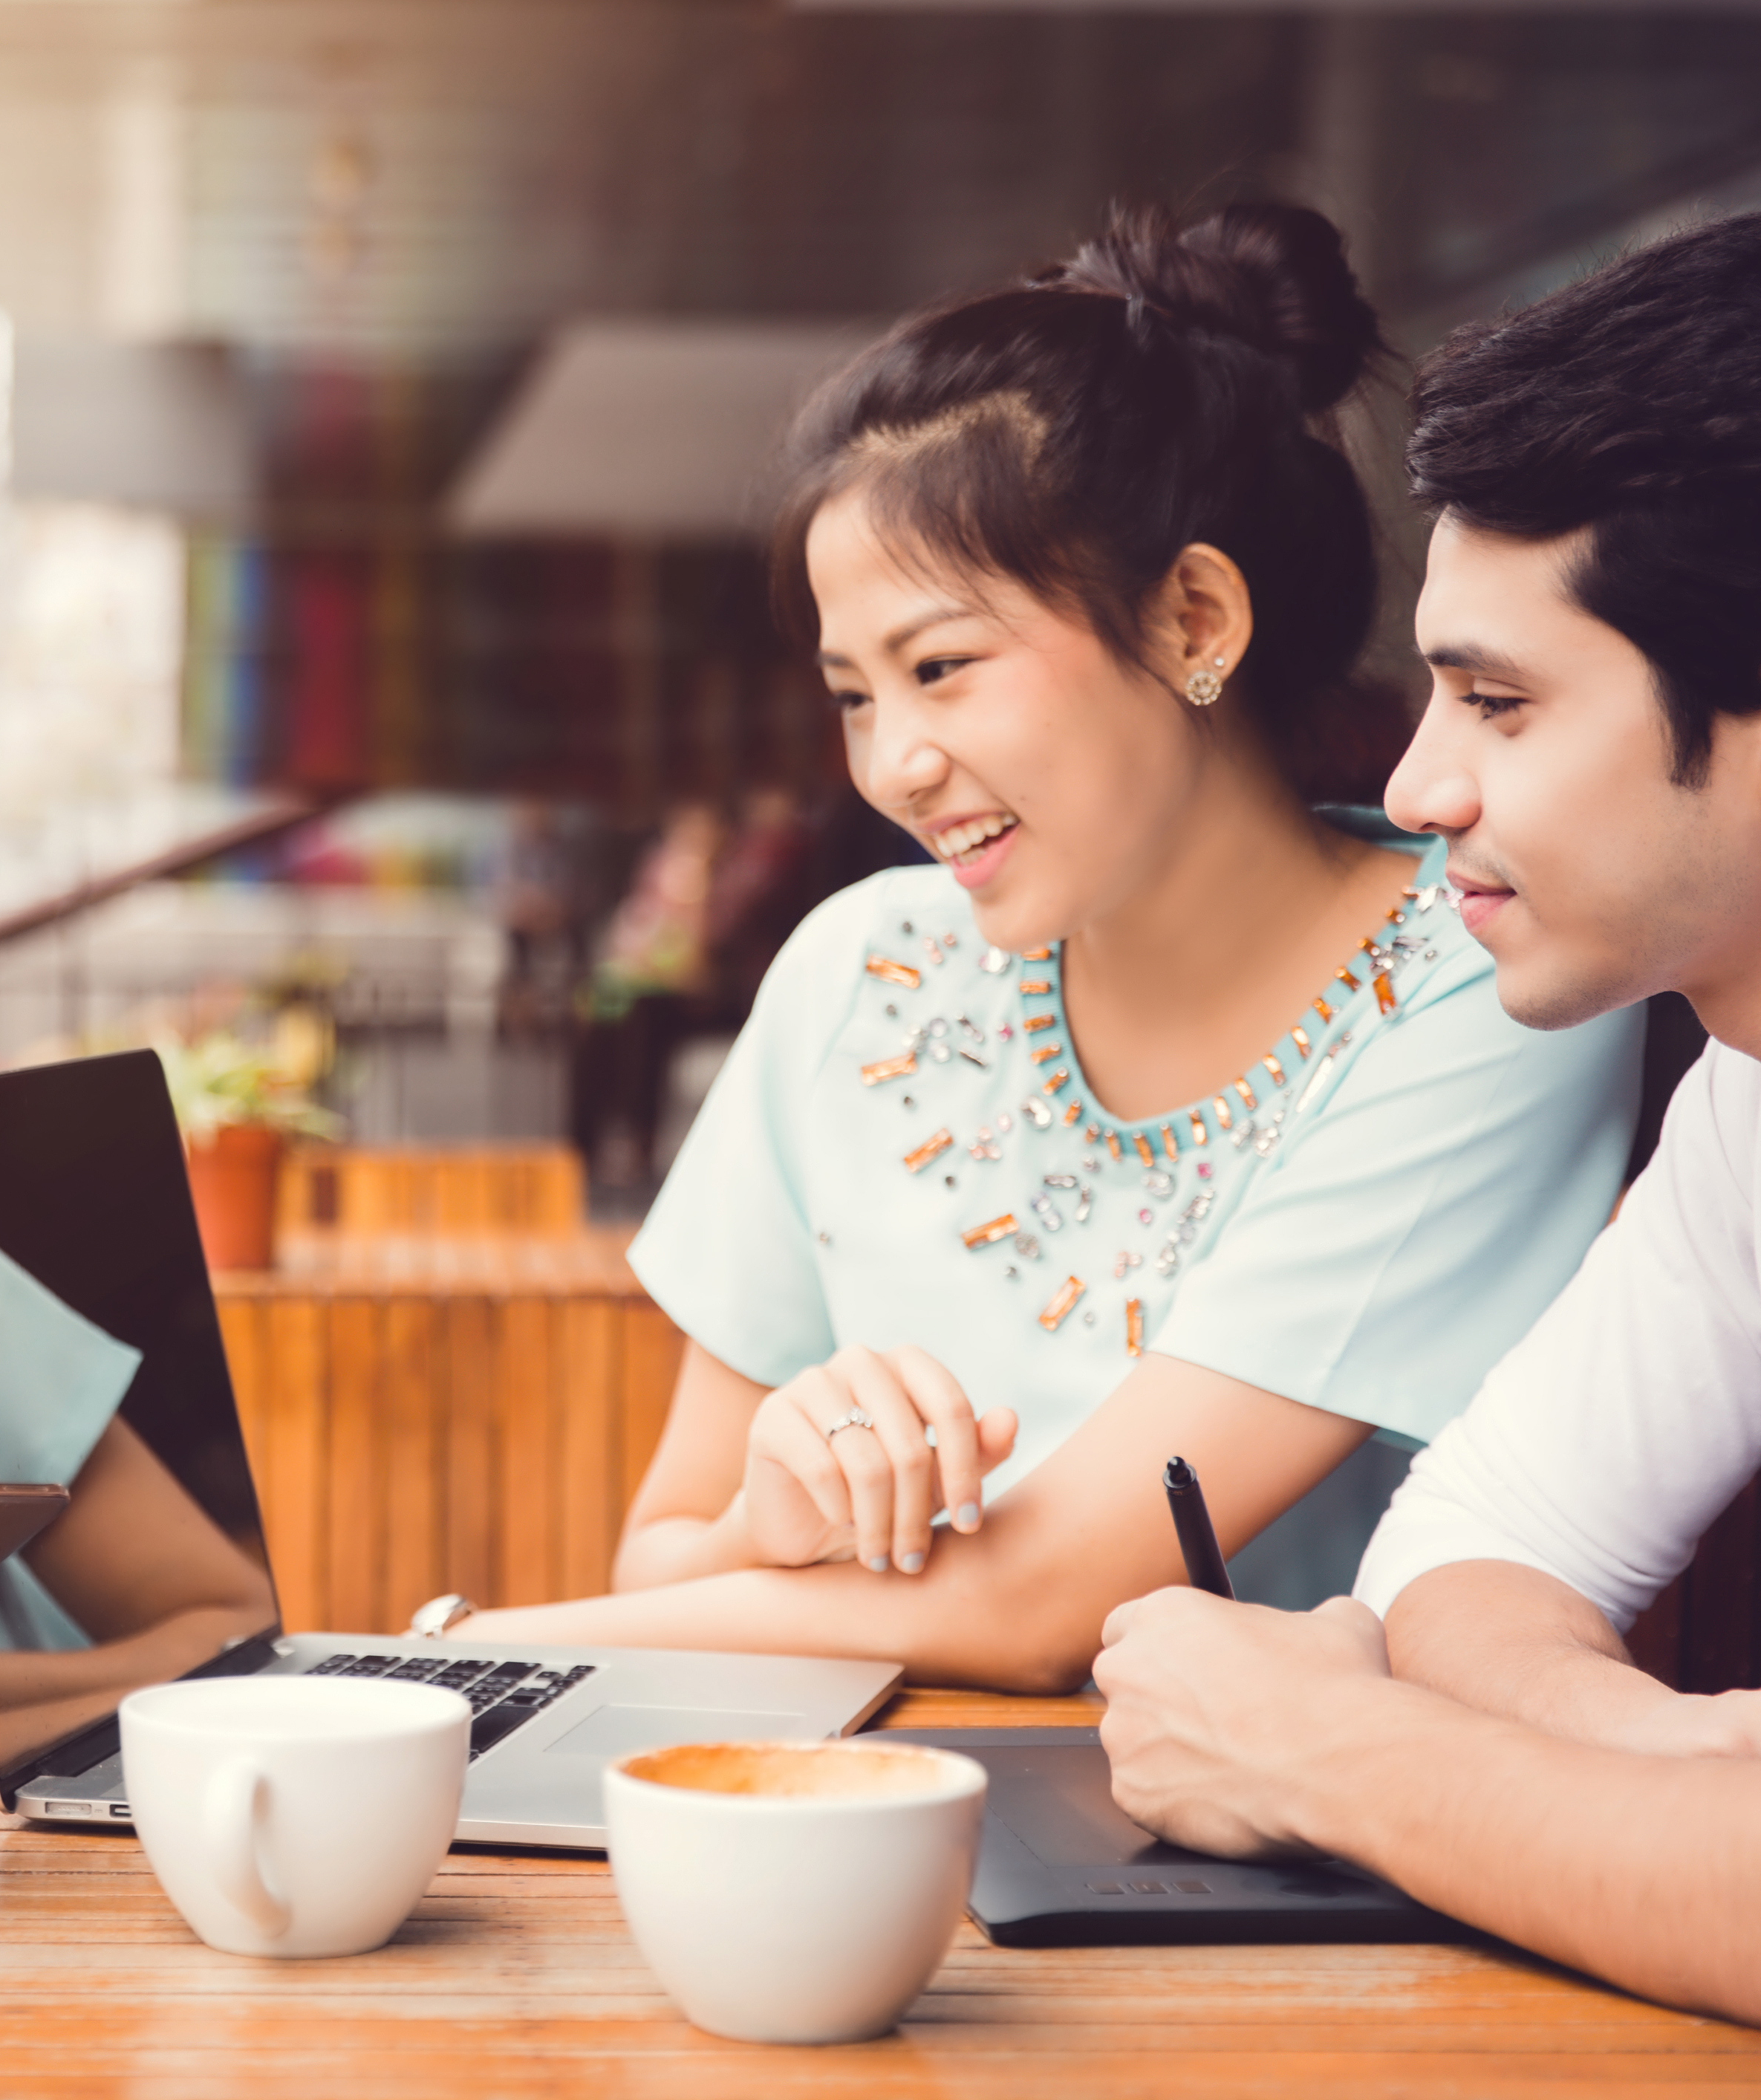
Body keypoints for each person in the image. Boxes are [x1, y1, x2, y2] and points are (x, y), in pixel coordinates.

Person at [1090, 207, 1761, 2095]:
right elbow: (1463, 1560)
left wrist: (1320, 1755)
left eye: (1497, 702)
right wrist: (1658, 1762)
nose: (1415, 788)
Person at [443, 206, 1643, 1686]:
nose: (892, 765)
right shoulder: (853, 973)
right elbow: (667, 1555)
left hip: (1260, 1887)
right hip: (832, 1836)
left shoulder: (1481, 974)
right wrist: (782, 1510)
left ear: (1193, 617)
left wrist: (471, 1657)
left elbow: (1046, 1602)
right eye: (855, 695)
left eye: (940, 668)